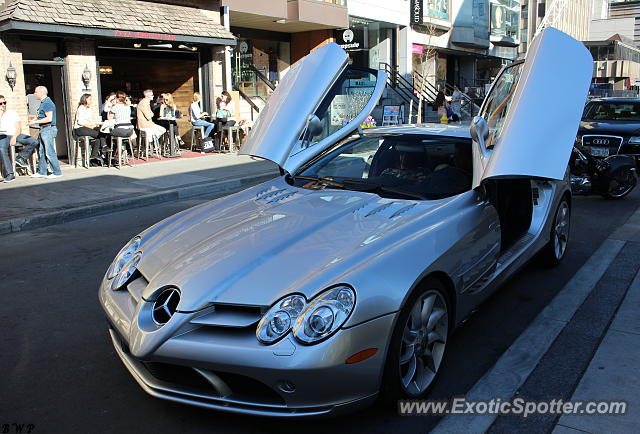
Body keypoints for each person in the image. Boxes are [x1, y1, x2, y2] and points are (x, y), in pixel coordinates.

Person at [0, 95, 40, 182]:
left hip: (15, 134)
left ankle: (20, 157)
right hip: (3, 135)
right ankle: (10, 174)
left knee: (34, 141)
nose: (3, 105)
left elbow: (18, 128)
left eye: (4, 102)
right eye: (0, 103)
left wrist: (14, 137)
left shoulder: (12, 113)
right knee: (2, 149)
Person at [29, 85, 62, 178]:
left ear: (41, 93)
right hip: (44, 129)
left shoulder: (47, 103)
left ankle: (57, 172)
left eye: (35, 92)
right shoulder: (43, 103)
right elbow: (44, 116)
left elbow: (49, 118)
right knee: (42, 152)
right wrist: (35, 118)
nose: (34, 94)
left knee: (49, 151)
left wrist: (35, 122)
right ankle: (42, 171)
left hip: (48, 129)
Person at [73, 93, 108, 164]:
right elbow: (80, 122)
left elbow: (90, 121)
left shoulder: (88, 109)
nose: (91, 100)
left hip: (87, 127)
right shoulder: (81, 108)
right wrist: (90, 126)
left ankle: (94, 156)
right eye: (90, 99)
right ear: (85, 99)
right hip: (80, 128)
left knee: (101, 131)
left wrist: (95, 124)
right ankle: (103, 147)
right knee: (98, 134)